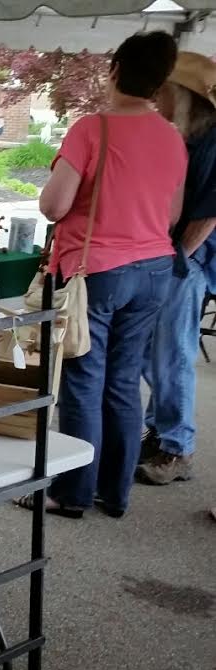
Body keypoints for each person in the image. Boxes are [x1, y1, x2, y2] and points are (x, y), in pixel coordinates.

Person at [17, 32, 186, 519]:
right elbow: (172, 214)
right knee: (124, 382)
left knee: (84, 381)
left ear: (114, 71)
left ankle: (72, 493)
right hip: (154, 268)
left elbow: (54, 205)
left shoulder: (92, 129)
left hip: (97, 271)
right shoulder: (172, 137)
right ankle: (115, 493)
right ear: (160, 81)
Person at [140, 51, 216, 485]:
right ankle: (162, 433)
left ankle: (176, 446)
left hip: (190, 260)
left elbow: (208, 216)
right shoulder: (191, 138)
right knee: (156, 352)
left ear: (185, 96)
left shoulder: (213, 141)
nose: (157, 98)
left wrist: (178, 261)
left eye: (165, 91)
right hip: (175, 255)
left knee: (170, 355)